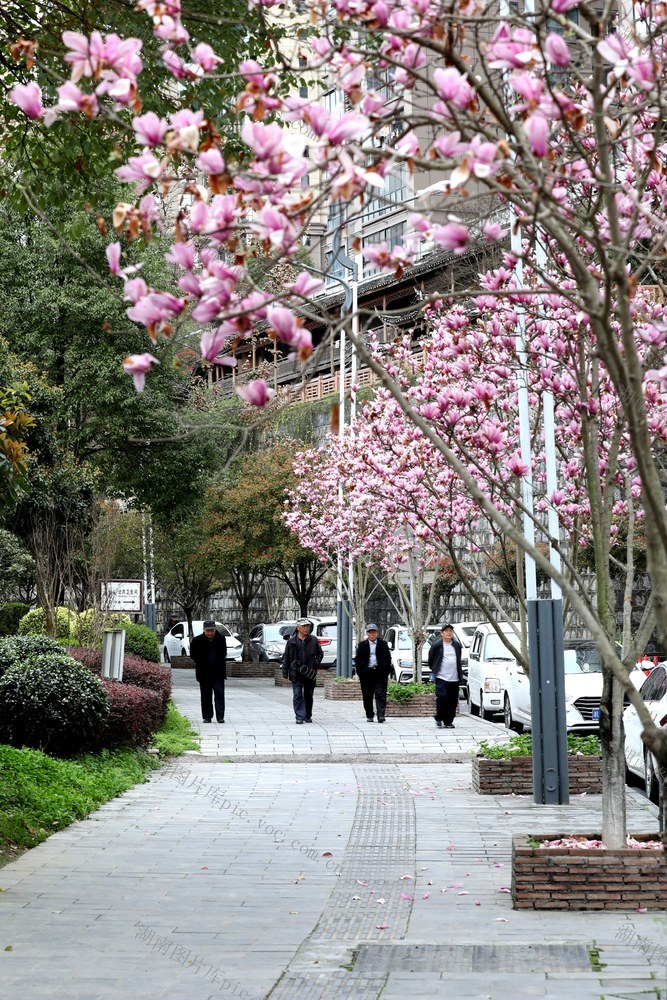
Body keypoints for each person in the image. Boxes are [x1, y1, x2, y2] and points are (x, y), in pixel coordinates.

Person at [282, 618, 322, 724]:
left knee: (308, 695)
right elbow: (286, 658)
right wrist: (285, 673)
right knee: (297, 695)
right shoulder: (291, 641)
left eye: (307, 626)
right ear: (298, 628)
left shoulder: (313, 640)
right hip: (296, 673)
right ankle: (299, 716)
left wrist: (315, 663)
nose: (306, 628)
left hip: (310, 673)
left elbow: (320, 653)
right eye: (304, 626)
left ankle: (307, 715)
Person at [190, 620, 227, 724]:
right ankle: (207, 716)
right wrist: (201, 662)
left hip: (218, 672)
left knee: (219, 694)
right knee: (206, 695)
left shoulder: (221, 638)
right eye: (208, 631)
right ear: (204, 630)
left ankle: (220, 716)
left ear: (215, 630)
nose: (210, 633)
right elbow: (193, 654)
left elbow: (223, 653)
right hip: (204, 672)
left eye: (212, 630)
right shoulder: (197, 640)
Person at [354, 623, 393, 723]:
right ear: (367, 634)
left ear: (377, 633)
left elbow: (388, 659)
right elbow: (358, 660)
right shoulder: (362, 645)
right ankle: (369, 715)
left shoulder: (383, 644)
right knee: (367, 695)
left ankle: (381, 715)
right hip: (366, 673)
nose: (372, 634)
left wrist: (386, 671)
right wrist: (360, 672)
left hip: (380, 673)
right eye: (370, 632)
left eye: (374, 632)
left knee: (381, 694)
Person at [428, 623, 463, 728]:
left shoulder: (456, 645)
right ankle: (439, 717)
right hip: (441, 677)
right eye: (446, 631)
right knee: (442, 698)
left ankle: (448, 721)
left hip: (454, 678)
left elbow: (458, 659)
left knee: (453, 701)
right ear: (442, 633)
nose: (448, 633)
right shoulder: (437, 645)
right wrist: (435, 669)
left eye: (450, 631)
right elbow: (431, 660)